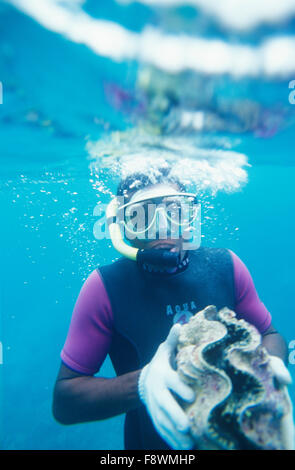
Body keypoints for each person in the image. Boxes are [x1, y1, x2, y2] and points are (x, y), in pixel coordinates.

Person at [52, 168, 293, 450]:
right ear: (124, 228)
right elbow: (65, 402)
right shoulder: (103, 288)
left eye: (175, 211)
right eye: (142, 216)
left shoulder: (226, 266)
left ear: (191, 218)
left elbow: (271, 335)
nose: (163, 227)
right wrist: (141, 384)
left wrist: (267, 366)